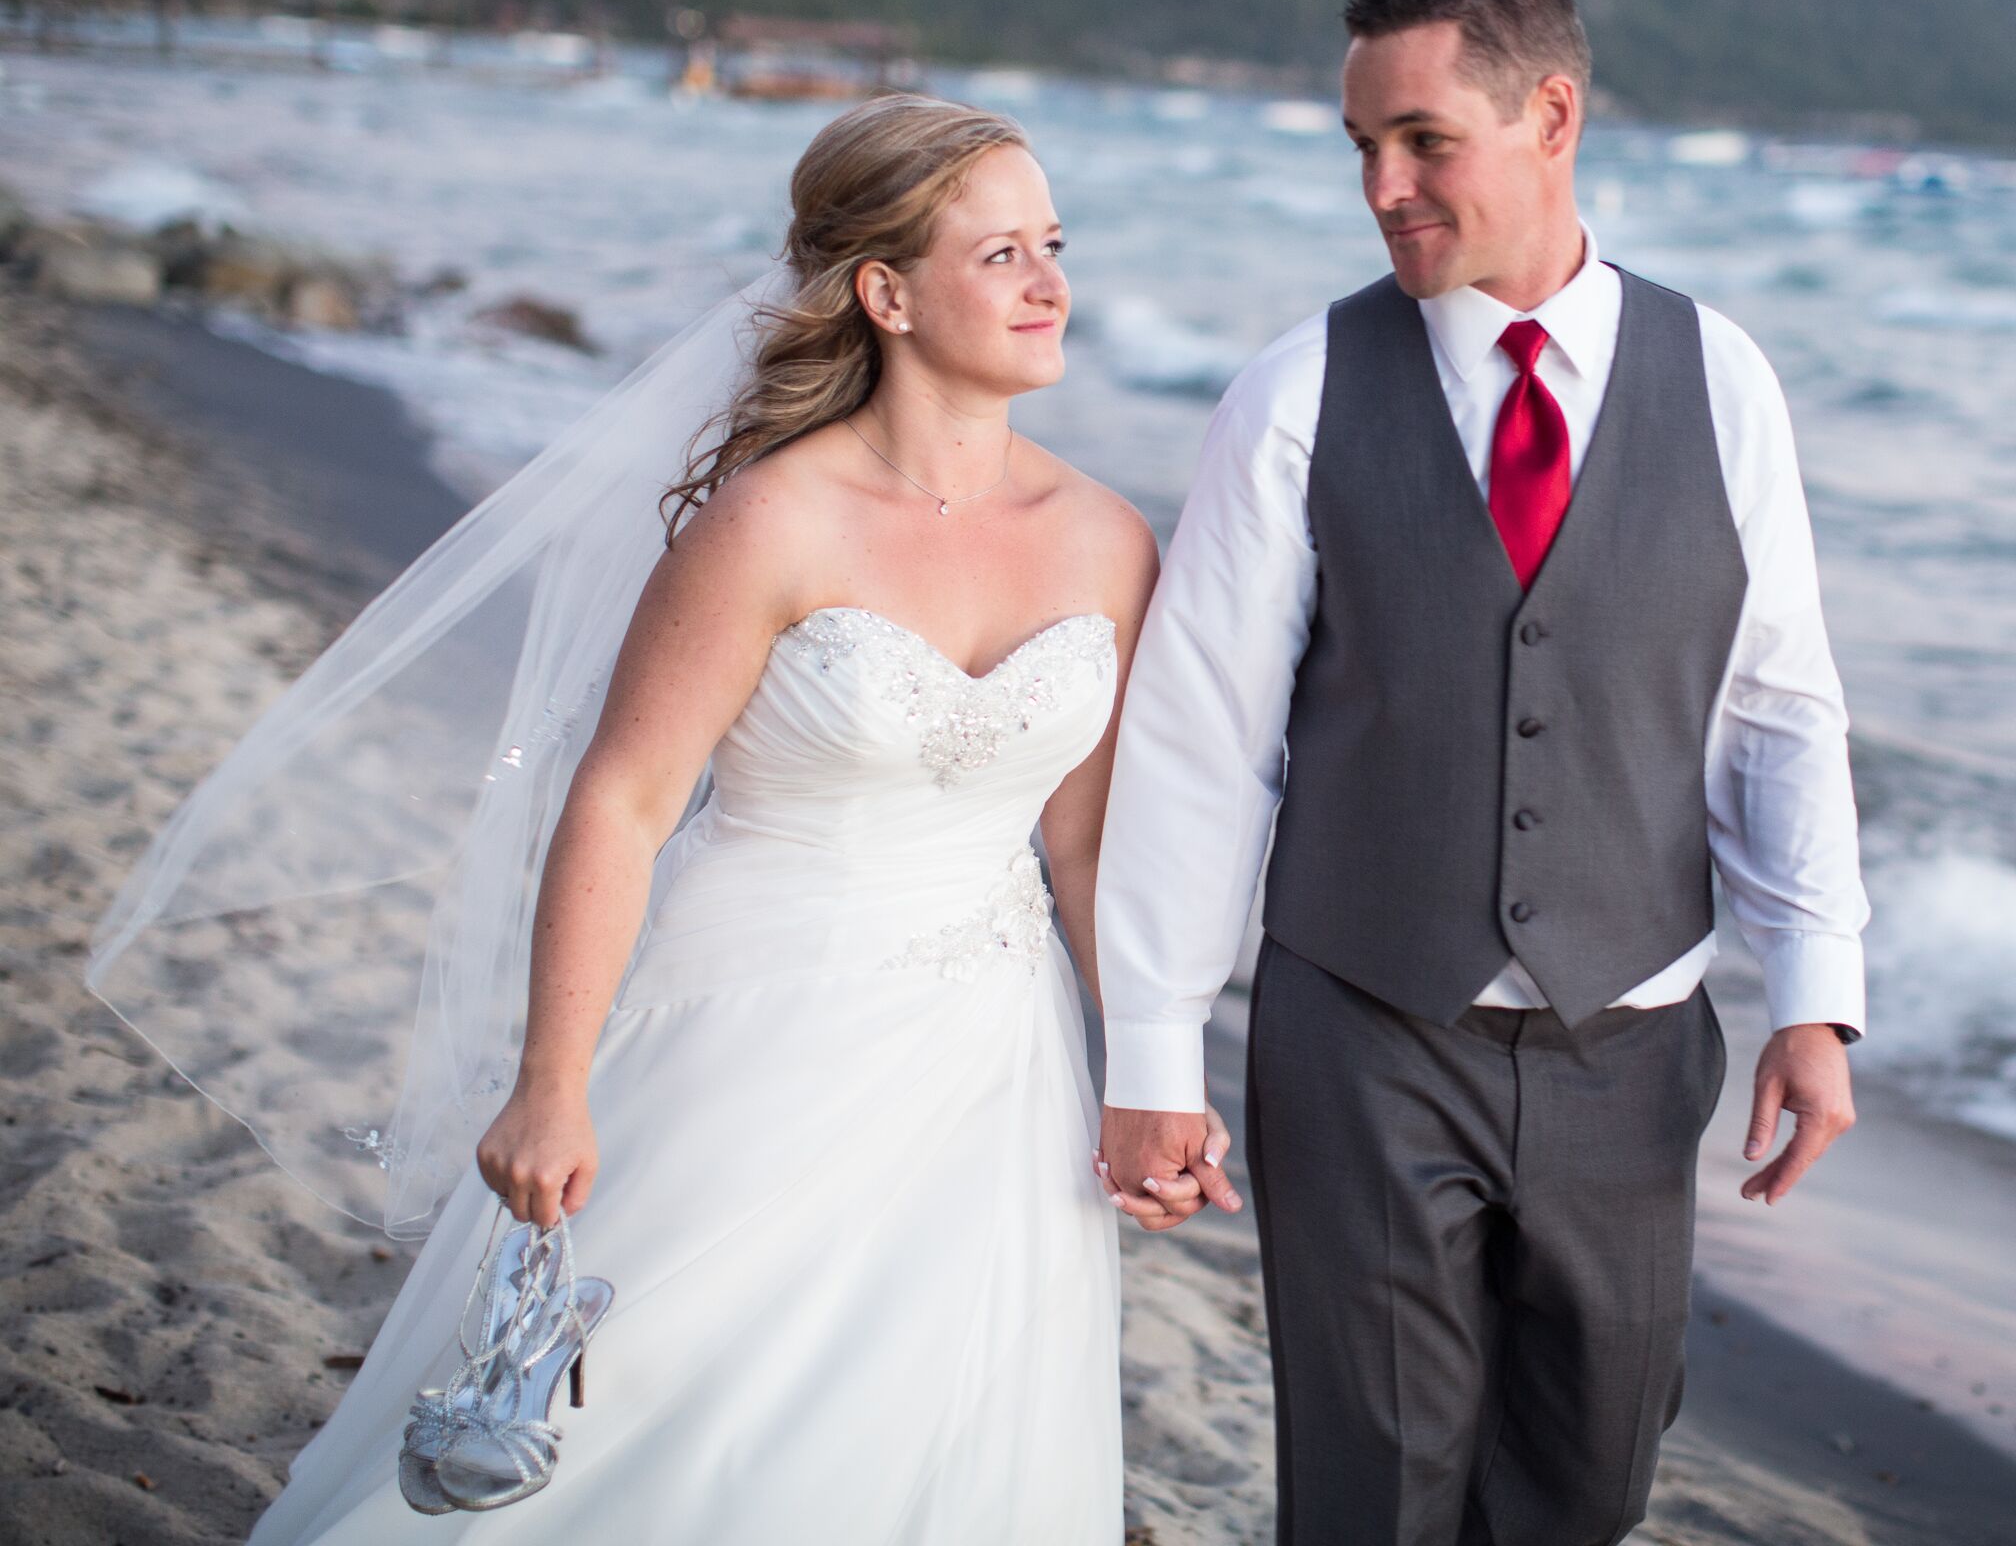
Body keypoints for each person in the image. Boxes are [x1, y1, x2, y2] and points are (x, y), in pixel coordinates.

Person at [97, 94, 1196, 1538]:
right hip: (752, 1021)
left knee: (925, 1419)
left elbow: (1084, 844)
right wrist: (552, 1081)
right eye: (1001, 255)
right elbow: (620, 800)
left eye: (1053, 243)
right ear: (887, 292)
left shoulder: (1111, 541)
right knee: (652, 1399)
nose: (1055, 284)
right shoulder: (773, 522)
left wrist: (1149, 1074)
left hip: (995, 1061)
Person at [1094, 0, 1872, 1544]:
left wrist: (1817, 996)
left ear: (1553, 115)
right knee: (1370, 1499)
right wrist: (1158, 1051)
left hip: (1631, 1047)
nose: (1382, 185)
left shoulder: (1722, 380)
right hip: (1365, 1034)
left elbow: (1776, 706)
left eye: (1423, 140)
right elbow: (1200, 744)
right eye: (1362, 147)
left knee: (1582, 1489)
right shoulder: (1298, 390)